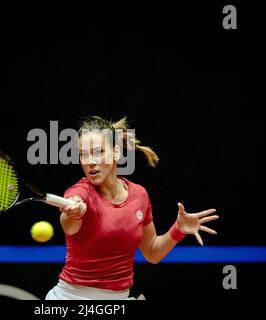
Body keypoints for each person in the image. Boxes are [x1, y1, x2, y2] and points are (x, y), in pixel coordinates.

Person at [46, 116, 219, 300]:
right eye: (83, 154)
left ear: (116, 152)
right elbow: (69, 224)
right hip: (72, 298)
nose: (90, 161)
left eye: (98, 152)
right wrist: (73, 214)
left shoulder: (139, 195)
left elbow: (152, 253)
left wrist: (178, 230)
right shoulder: (80, 192)